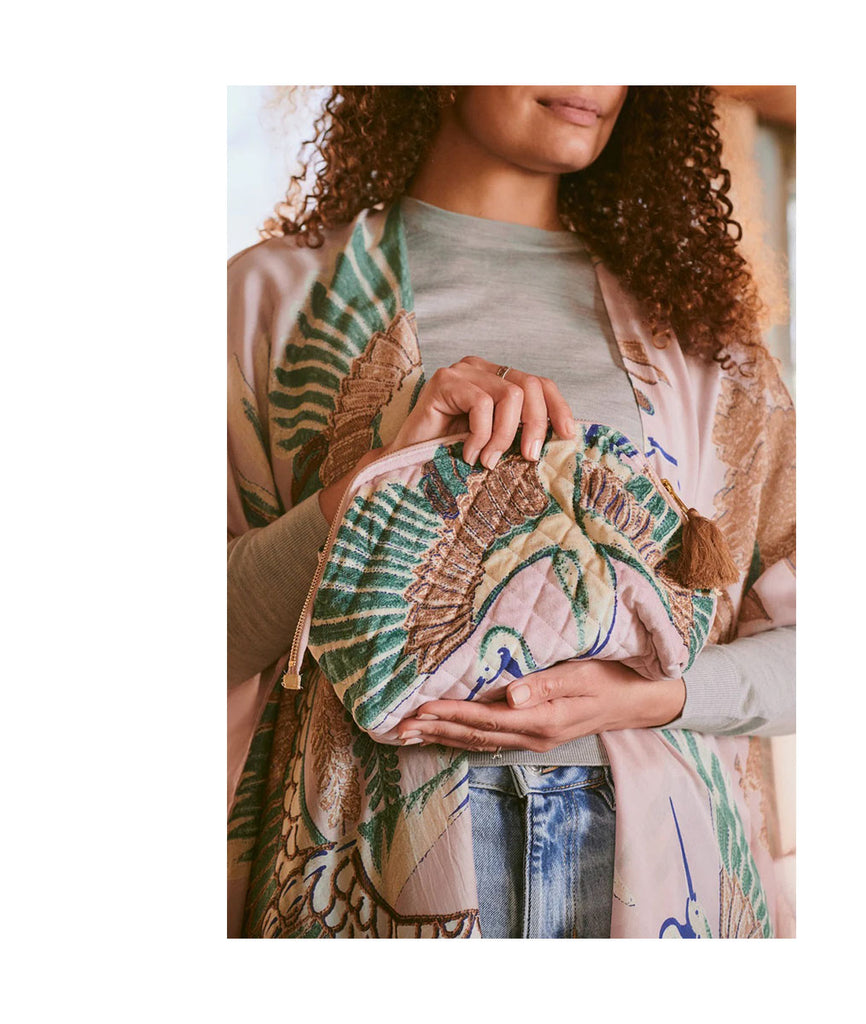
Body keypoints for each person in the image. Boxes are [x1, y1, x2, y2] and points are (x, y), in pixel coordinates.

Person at [227, 86, 796, 938]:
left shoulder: (703, 341)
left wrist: (648, 697)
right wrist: (371, 483)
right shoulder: (268, 302)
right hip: (364, 873)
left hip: (663, 867)